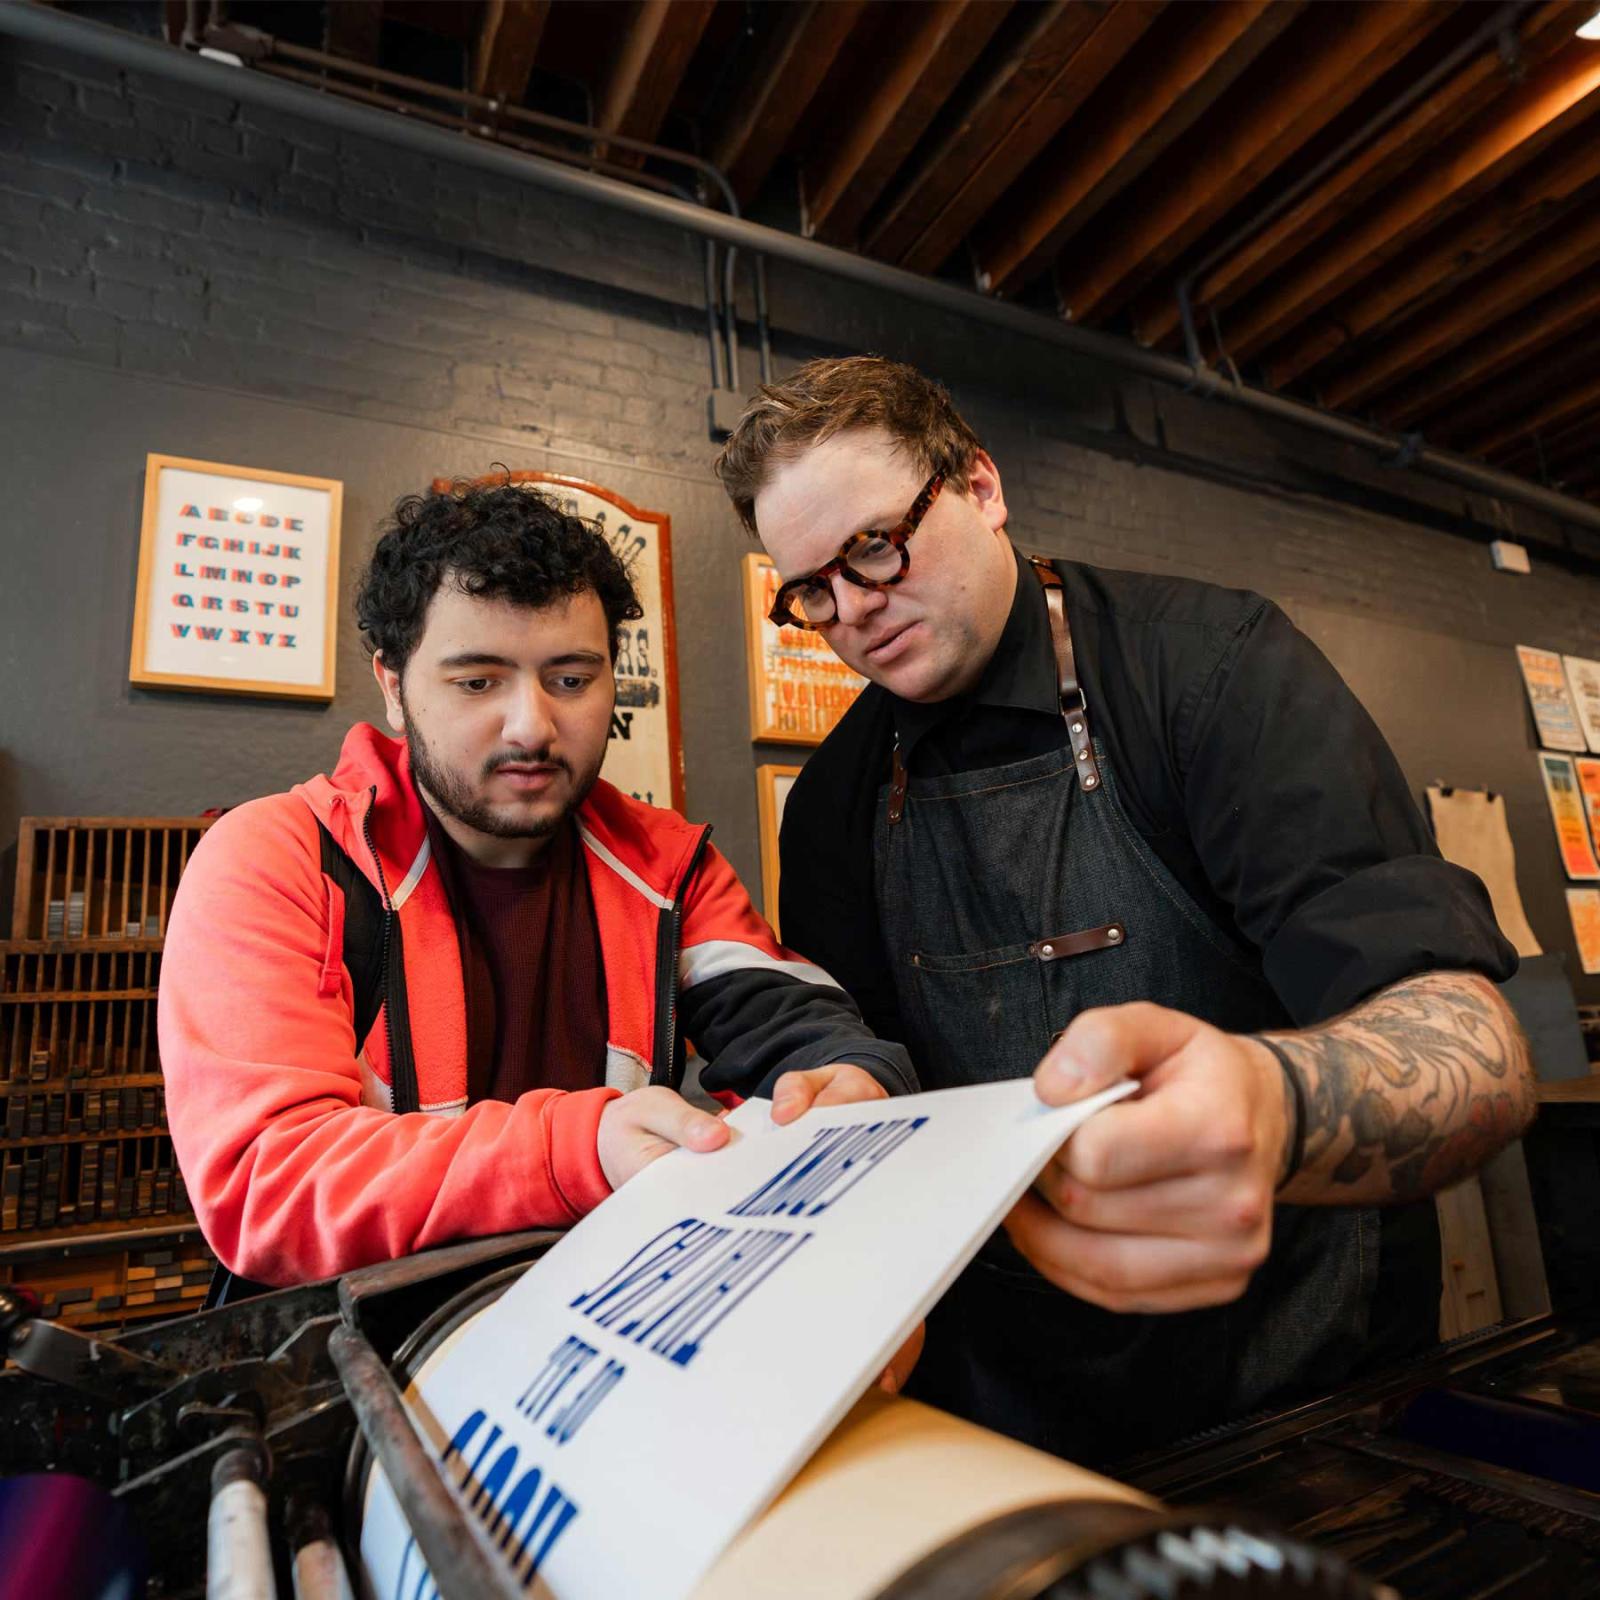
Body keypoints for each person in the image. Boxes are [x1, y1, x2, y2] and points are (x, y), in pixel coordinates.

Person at [714, 356, 1535, 1465]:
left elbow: (1474, 1049)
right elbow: (872, 1096)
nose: (853, 611)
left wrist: (1276, 1101)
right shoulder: (831, 809)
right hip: (1009, 1420)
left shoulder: (1208, 670)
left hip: (1305, 1399)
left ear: (980, 486)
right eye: (811, 589)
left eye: (872, 546)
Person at [159, 478, 912, 1288]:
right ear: (391, 683)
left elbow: (794, 1026)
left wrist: (852, 1074)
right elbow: (268, 1186)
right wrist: (578, 1147)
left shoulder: (665, 863)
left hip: (608, 1333)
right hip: (355, 1368)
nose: (532, 726)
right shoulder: (282, 859)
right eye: (477, 682)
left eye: (571, 679)